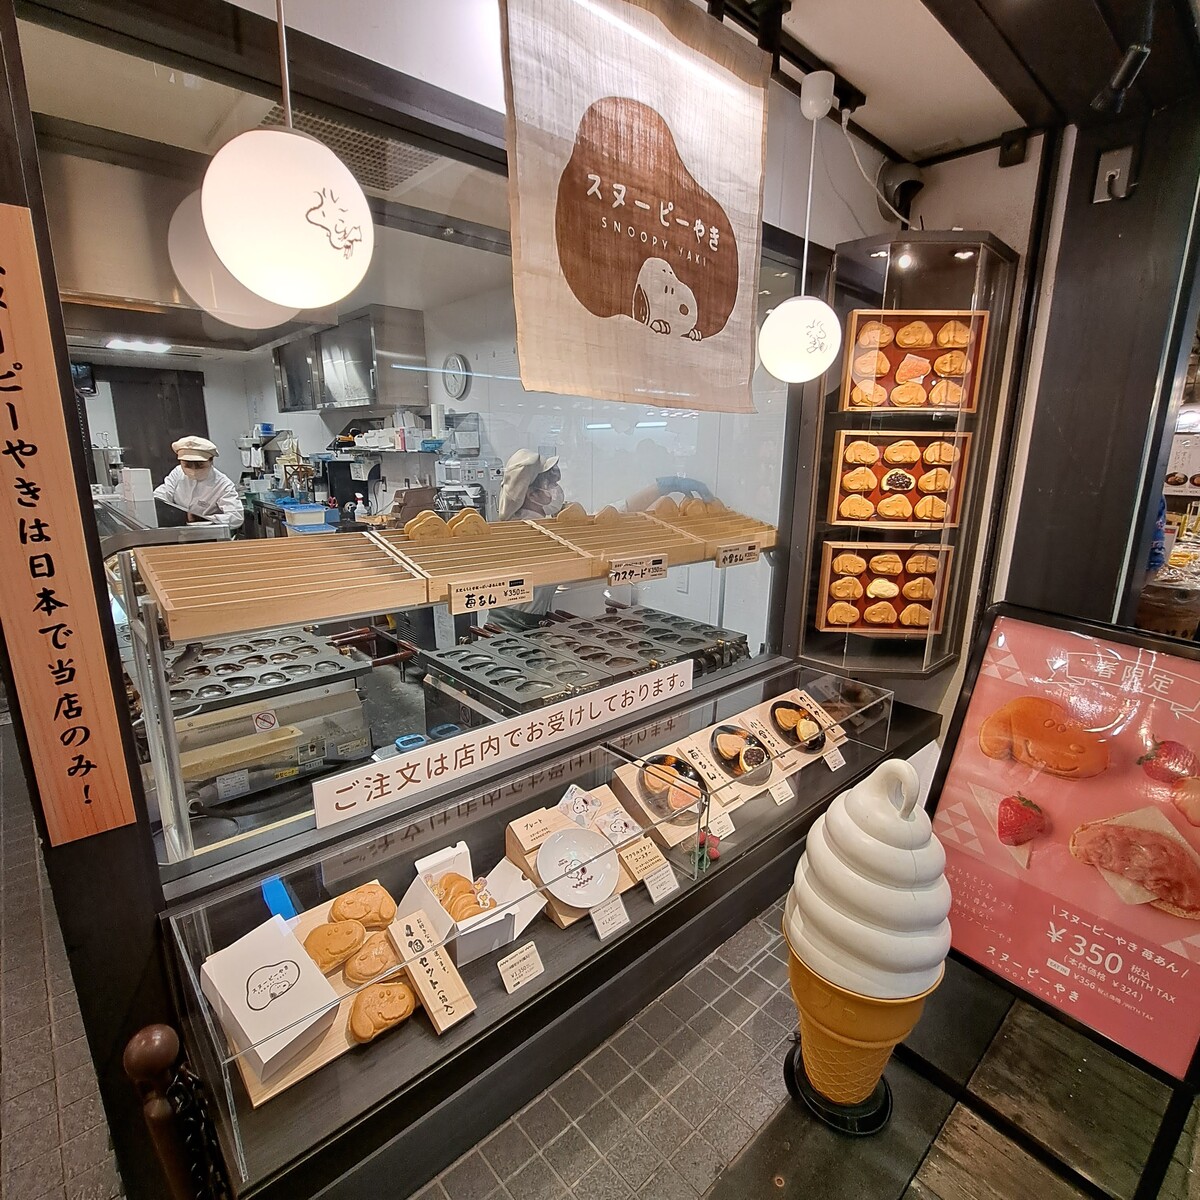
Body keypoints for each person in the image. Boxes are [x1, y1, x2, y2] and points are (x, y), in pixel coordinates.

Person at [154, 435, 244, 528]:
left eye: (200, 465)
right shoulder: (178, 472)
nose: (193, 470)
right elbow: (160, 496)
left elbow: (236, 517)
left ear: (211, 461)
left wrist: (203, 519)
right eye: (187, 465)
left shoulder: (223, 485)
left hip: (207, 533)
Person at [498, 449, 564, 521]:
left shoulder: (536, 520)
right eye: (547, 484)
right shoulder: (531, 525)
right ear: (532, 495)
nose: (555, 489)